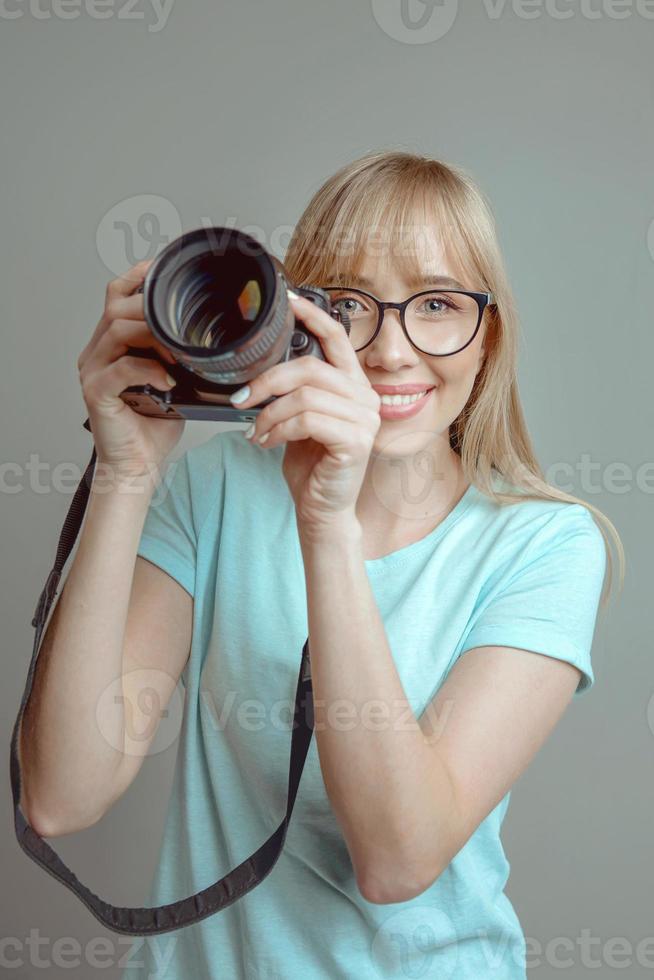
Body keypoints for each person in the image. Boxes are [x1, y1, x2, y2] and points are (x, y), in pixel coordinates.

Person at [19, 150, 625, 979]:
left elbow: (396, 860)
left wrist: (327, 521)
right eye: (348, 305)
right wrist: (126, 475)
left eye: (439, 304)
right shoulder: (216, 488)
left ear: (490, 335)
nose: (388, 353)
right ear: (291, 321)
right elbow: (60, 796)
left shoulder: (547, 546)